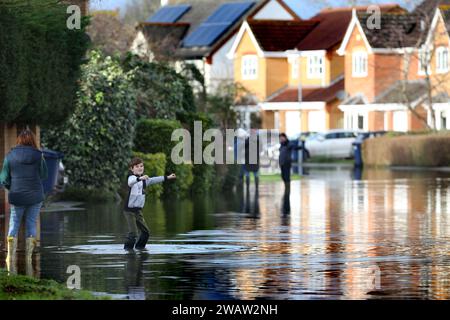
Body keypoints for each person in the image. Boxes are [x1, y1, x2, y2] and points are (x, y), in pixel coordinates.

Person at [0, 129, 48, 264]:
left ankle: (10, 256)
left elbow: (3, 179)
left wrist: (11, 188)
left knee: (14, 223)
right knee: (31, 223)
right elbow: (44, 174)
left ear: (19, 140)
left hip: (17, 195)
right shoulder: (39, 155)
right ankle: (29, 257)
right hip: (35, 195)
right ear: (32, 140)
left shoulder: (9, 156)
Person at [124, 157, 176, 251]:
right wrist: (139, 178)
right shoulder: (131, 177)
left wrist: (167, 177)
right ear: (132, 169)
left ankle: (140, 249)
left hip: (138, 211)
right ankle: (127, 251)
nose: (140, 168)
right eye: (137, 166)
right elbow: (130, 182)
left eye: (141, 166)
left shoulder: (144, 180)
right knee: (133, 233)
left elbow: (154, 180)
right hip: (129, 210)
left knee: (146, 232)